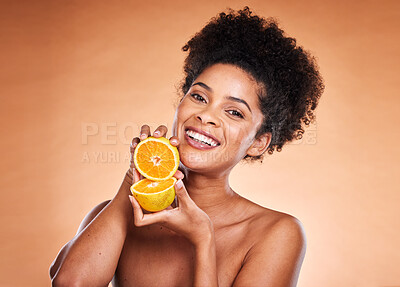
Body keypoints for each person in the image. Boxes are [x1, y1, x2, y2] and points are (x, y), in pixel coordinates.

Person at [49, 6, 323, 287]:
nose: (206, 116)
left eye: (234, 112)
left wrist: (203, 238)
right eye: (199, 97)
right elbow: (69, 284)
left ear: (258, 142)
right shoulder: (115, 215)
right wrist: (132, 180)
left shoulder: (276, 233)